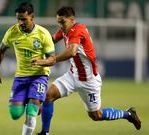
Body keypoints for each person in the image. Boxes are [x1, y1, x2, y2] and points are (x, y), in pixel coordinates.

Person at [37, 6, 141, 135]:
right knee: (48, 95)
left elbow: (72, 51)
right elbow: (51, 39)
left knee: (96, 115)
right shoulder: (65, 30)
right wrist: (36, 45)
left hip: (89, 80)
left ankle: (128, 114)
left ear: (72, 19)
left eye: (63, 22)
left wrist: (52, 60)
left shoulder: (78, 30)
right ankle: (44, 132)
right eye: (59, 22)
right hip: (72, 76)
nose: (61, 25)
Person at [0, 2, 56, 135]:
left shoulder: (43, 33)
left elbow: (52, 59)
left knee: (31, 114)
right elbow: (1, 51)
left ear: (32, 17)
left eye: (24, 19)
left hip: (39, 76)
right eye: (18, 19)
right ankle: (36, 103)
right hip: (20, 77)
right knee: (15, 114)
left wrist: (40, 62)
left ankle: (35, 103)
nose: (20, 22)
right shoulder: (12, 31)